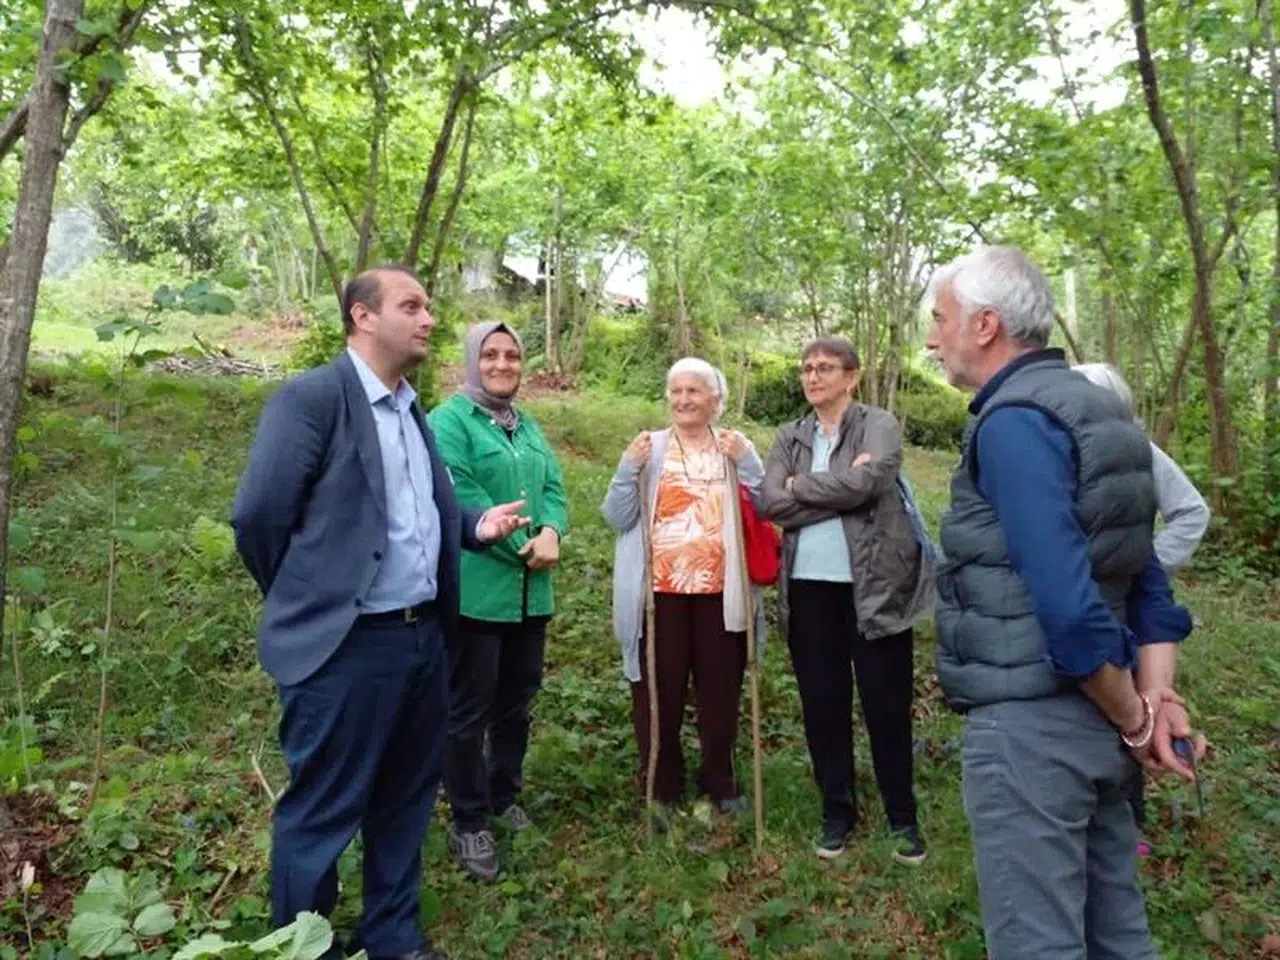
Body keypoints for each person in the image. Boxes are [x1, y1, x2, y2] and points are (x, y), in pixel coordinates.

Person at [231, 267, 529, 960]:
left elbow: (418, 509)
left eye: (428, 305)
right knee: (324, 811)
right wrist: (312, 600)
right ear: (363, 317)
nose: (428, 318)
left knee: (404, 802)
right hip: (345, 649)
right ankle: (305, 948)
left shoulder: (410, 408)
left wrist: (473, 525)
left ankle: (393, 939)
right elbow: (259, 519)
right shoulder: (313, 400)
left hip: (423, 640)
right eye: (412, 306)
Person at [925, 246, 1206, 959]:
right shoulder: (1102, 412)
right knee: (1117, 934)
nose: (933, 337)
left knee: (1037, 941)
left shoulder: (1016, 422)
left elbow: (1068, 604)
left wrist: (1135, 718)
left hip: (1034, 731)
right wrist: (1157, 696)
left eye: (941, 318)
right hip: (1097, 730)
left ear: (985, 325)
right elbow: (1146, 579)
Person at [757, 337, 934, 864]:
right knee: (823, 706)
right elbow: (769, 501)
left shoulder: (878, 424)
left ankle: (902, 818)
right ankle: (837, 812)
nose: (813, 377)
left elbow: (870, 484)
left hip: (874, 590)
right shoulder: (790, 435)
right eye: (806, 368)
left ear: (851, 377)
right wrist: (840, 487)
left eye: (825, 368)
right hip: (809, 590)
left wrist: (801, 487)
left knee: (886, 708)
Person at [428, 322, 569, 882]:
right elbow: (463, 496)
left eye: (512, 355)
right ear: (472, 360)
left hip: (532, 594)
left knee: (516, 701)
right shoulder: (448, 422)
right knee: (468, 710)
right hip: (479, 590)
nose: (503, 364)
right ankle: (468, 819)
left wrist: (553, 531)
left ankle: (503, 794)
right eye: (490, 355)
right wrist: (522, 544)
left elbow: (553, 489)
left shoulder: (526, 424)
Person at [601, 358, 765, 830]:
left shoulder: (733, 446)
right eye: (676, 391)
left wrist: (749, 462)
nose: (684, 399)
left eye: (695, 391)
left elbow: (767, 504)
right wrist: (627, 469)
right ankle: (662, 786)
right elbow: (617, 516)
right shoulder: (647, 449)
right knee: (657, 693)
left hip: (721, 595)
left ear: (717, 399)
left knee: (720, 694)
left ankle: (720, 781)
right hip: (658, 596)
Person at [1075, 361, 1210, 857]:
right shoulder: (1050, 454)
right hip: (1075, 605)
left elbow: (1192, 511)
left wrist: (1147, 559)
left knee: (1133, 704)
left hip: (1129, 602)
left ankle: (1127, 821)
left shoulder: (1139, 452)